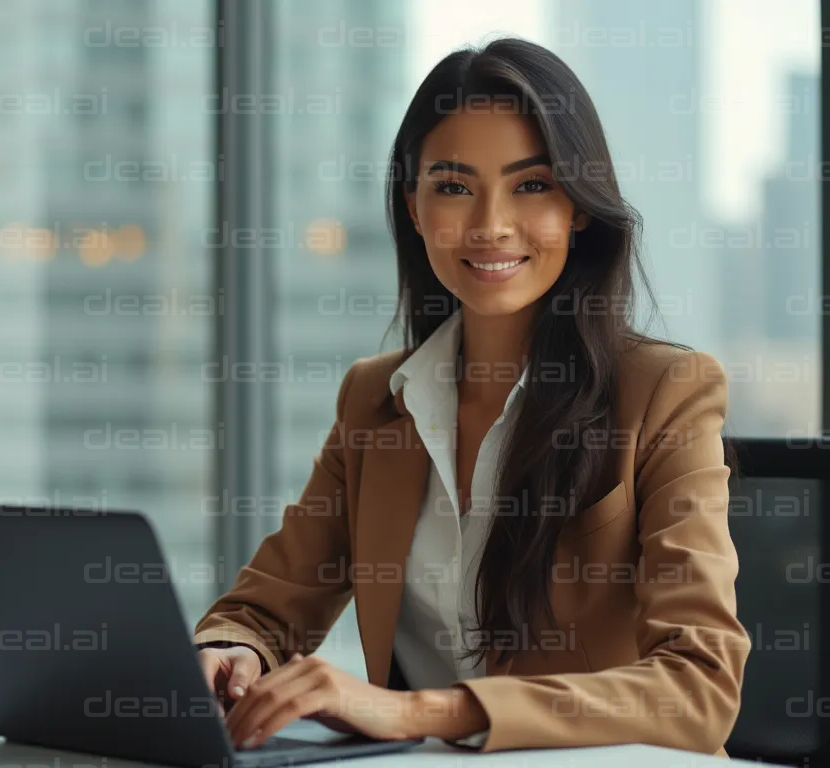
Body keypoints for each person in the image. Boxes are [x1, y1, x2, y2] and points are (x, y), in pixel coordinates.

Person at [194, 37, 749, 756]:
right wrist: (231, 654)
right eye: (454, 186)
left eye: (532, 185)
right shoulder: (377, 400)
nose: (490, 223)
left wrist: (423, 711)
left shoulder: (667, 392)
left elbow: (700, 688)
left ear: (578, 209)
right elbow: (266, 607)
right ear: (415, 208)